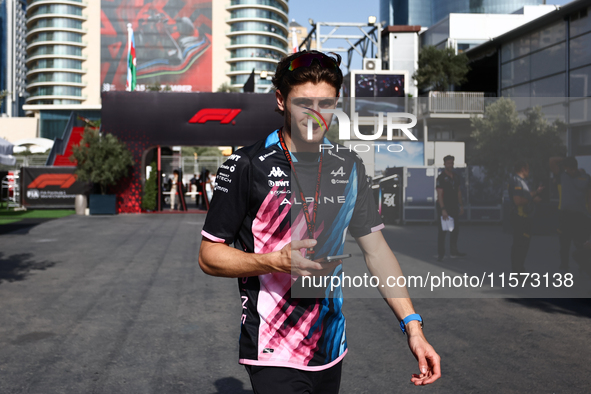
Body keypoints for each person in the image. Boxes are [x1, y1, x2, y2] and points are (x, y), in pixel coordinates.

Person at [198, 50, 440, 394]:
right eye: (304, 103)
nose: (315, 116)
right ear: (281, 100)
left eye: (325, 104)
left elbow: (377, 252)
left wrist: (413, 326)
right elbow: (208, 255)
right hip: (273, 350)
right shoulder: (247, 165)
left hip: (330, 346)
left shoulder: (349, 165)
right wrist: (273, 261)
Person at [550, 156, 591, 271]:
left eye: (567, 168)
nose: (566, 170)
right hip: (565, 216)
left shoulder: (586, 178)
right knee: (564, 244)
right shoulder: (562, 176)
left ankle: (585, 267)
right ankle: (564, 266)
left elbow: (589, 197)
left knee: (583, 244)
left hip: (581, 216)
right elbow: (551, 161)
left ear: (572, 168)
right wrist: (566, 158)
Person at [508, 160, 544, 273]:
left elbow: (526, 195)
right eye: (527, 169)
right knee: (521, 246)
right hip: (520, 217)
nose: (529, 171)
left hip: (523, 217)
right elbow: (518, 200)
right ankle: (518, 272)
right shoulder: (517, 181)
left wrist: (536, 192)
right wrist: (532, 199)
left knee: (521, 245)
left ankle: (518, 270)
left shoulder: (520, 181)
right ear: (523, 169)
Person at [435, 155, 465, 261]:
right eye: (448, 163)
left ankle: (454, 251)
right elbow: (439, 194)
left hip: (454, 207)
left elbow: (459, 192)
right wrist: (443, 209)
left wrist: (461, 205)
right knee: (443, 231)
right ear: (444, 164)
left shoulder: (456, 177)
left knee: (455, 230)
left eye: (452, 163)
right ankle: (441, 254)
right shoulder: (441, 178)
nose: (450, 165)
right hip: (444, 207)